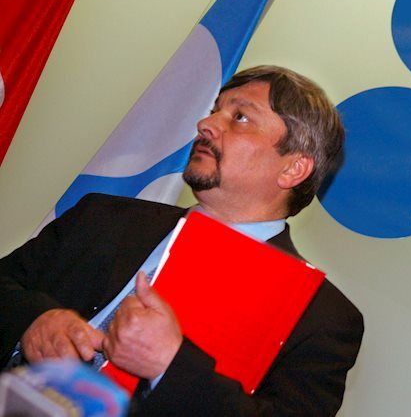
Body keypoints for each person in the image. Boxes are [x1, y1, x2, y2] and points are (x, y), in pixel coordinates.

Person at [0, 65, 364, 416]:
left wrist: (168, 366)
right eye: (214, 110)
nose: (206, 124)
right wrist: (33, 320)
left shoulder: (318, 316)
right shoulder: (103, 217)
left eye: (240, 117)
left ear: (293, 168)